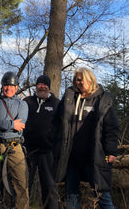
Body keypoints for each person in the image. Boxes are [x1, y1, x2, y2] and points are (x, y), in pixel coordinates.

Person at [55, 67, 119, 209]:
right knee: (71, 196)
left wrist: (112, 151)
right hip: (71, 158)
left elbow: (112, 129)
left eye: (84, 79)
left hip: (94, 157)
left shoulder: (102, 100)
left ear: (91, 79)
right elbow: (56, 123)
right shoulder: (69, 99)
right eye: (78, 79)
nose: (81, 82)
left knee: (102, 195)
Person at [0, 71, 29, 209]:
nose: (8, 88)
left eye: (12, 86)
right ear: (2, 86)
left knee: (20, 182)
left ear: (16, 88)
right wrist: (11, 124)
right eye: (6, 85)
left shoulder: (22, 105)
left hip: (14, 146)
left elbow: (20, 126)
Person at [23, 75, 59, 209]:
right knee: (24, 185)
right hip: (28, 151)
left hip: (48, 152)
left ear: (49, 87)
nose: (42, 86)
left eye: (45, 84)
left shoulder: (57, 104)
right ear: (36, 86)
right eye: (40, 84)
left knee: (49, 187)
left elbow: (61, 127)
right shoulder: (27, 102)